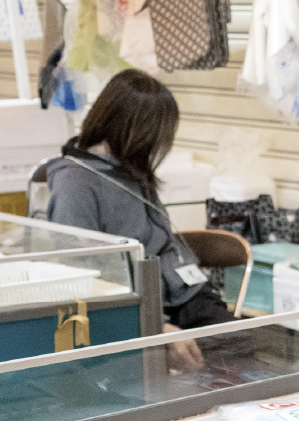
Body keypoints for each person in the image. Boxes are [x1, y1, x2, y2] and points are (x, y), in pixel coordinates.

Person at [44, 69, 235, 367]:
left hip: (181, 294)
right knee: (214, 360)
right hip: (129, 311)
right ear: (128, 129)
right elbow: (83, 281)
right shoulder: (75, 184)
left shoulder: (129, 167)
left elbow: (162, 244)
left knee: (240, 346)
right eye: (153, 136)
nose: (157, 146)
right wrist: (155, 327)